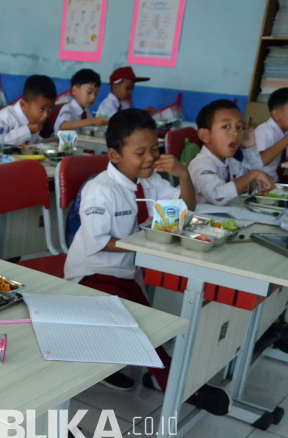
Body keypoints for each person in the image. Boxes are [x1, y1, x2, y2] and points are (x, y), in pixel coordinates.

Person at [62, 109, 232, 413]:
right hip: (91, 274)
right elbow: (98, 243)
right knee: (146, 327)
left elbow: (184, 210)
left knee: (151, 324)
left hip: (125, 275)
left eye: (155, 149)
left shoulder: (150, 181)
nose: (151, 158)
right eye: (140, 152)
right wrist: (144, 245)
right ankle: (182, 389)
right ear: (114, 155)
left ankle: (167, 378)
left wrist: (182, 175)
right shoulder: (101, 190)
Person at [189, 99, 274, 205]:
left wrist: (249, 150)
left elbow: (254, 185)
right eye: (226, 126)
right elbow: (218, 197)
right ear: (205, 136)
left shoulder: (230, 162)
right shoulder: (200, 165)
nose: (235, 133)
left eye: (239, 127)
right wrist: (253, 174)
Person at [0, 75, 56, 146]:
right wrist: (28, 130)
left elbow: (31, 143)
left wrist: (47, 142)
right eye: (41, 109)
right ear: (24, 105)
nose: (46, 115)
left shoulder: (34, 121)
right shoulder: (6, 116)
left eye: (50, 109)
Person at [255, 87, 288, 180]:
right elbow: (260, 161)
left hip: (276, 181)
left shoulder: (284, 131)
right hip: (258, 185)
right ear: (276, 115)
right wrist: (286, 139)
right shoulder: (264, 131)